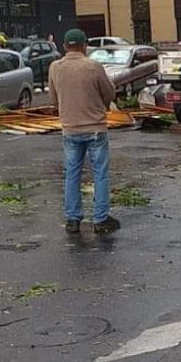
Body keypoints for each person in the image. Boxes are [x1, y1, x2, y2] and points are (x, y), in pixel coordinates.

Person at [48, 27, 120, 235]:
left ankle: (72, 219)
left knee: (72, 173)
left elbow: (54, 99)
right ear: (85, 46)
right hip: (95, 127)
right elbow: (109, 93)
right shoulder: (93, 66)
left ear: (64, 46)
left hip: (70, 128)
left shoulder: (55, 67)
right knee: (100, 173)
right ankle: (100, 218)